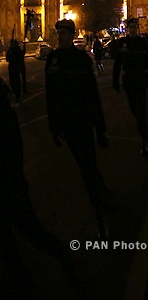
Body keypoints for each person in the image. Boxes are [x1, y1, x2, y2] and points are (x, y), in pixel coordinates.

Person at [1, 76, 84, 294]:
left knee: (33, 235)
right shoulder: (6, 113)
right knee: (12, 248)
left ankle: (63, 261)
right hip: (12, 186)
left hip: (9, 189)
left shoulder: (4, 117)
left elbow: (12, 156)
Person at [45, 19, 112, 240]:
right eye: (59, 33)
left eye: (64, 33)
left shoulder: (81, 59)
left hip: (84, 120)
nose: (60, 36)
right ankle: (101, 191)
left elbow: (92, 95)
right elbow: (50, 96)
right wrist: (53, 126)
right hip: (67, 123)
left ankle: (100, 212)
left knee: (87, 165)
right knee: (85, 165)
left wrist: (100, 128)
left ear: (72, 35)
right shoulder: (53, 60)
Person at [112, 18, 148, 156]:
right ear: (127, 28)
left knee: (141, 110)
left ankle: (144, 141)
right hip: (129, 80)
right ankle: (145, 129)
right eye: (130, 27)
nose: (132, 29)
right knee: (134, 110)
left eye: (135, 27)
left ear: (138, 28)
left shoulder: (143, 43)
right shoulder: (122, 44)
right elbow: (117, 64)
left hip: (141, 79)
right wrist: (115, 80)